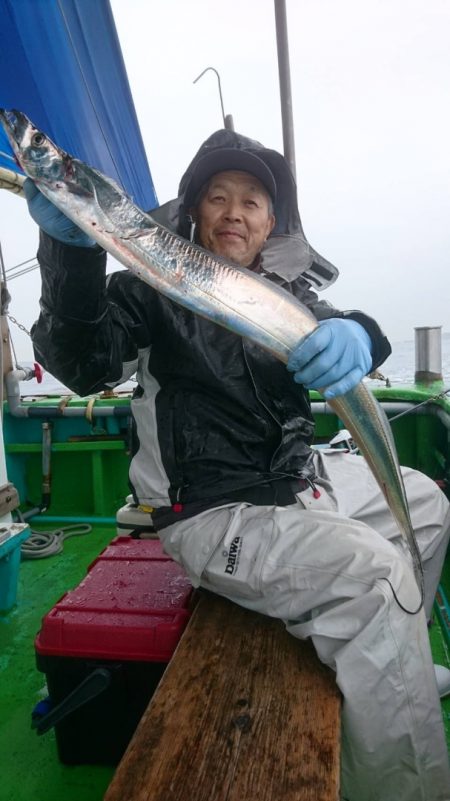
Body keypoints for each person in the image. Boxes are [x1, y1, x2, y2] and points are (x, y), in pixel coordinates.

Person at [24, 129, 450, 801]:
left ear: (269, 222)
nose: (235, 211)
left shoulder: (283, 292)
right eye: (218, 197)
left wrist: (361, 334)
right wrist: (69, 253)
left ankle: (398, 668)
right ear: (195, 211)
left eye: (252, 200)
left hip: (296, 487)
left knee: (425, 501)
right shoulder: (154, 289)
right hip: (216, 512)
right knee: (374, 574)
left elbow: (355, 328)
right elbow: (82, 361)